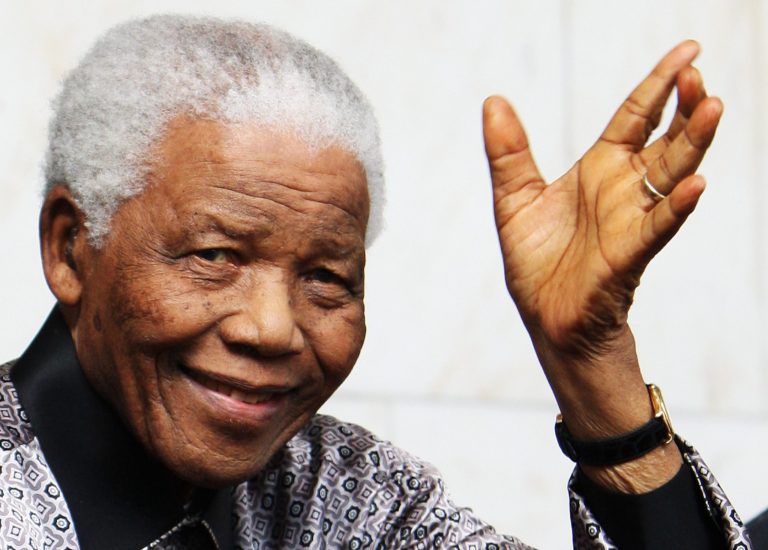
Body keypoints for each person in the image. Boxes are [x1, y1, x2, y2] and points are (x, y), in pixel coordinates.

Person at [0, 14, 750, 549]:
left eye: (327, 277)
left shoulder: (355, 500)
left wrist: (592, 368)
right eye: (216, 255)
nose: (271, 326)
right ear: (71, 248)